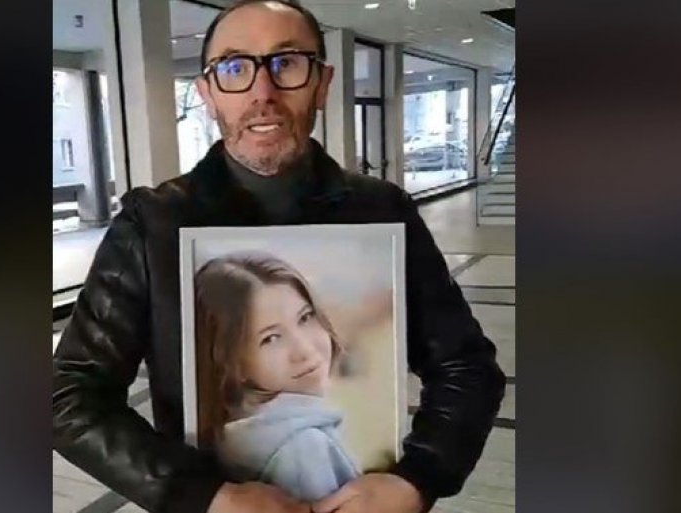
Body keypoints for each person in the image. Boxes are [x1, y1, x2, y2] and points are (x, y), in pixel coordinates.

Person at [53, 1, 506, 512]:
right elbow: (69, 394)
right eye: (234, 68)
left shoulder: (382, 210)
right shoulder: (153, 223)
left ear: (322, 83)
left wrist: (417, 479)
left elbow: (466, 366)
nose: (262, 92)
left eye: (287, 63)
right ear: (207, 93)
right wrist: (202, 496)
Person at [193, 253, 361, 502]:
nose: (305, 349)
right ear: (231, 363)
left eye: (305, 317)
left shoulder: (238, 432)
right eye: (271, 338)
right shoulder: (303, 448)